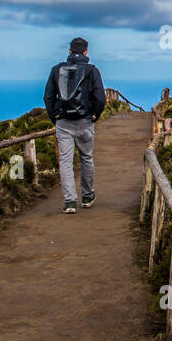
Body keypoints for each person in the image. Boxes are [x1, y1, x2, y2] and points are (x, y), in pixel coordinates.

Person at [43, 37, 106, 213]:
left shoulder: (56, 70)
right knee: (86, 157)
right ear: (86, 52)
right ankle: (87, 196)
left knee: (65, 161)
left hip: (63, 122)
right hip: (85, 121)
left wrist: (55, 116)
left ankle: (69, 201)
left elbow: (48, 96)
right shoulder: (92, 71)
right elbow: (100, 97)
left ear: (69, 51)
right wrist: (94, 115)